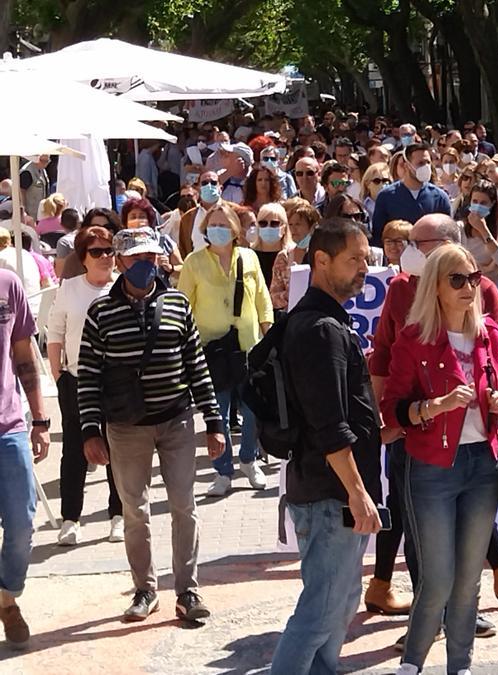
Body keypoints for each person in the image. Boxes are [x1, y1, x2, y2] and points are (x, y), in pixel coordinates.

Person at [369, 214, 498, 644]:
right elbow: (382, 354)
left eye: (419, 241)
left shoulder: (484, 292)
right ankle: (427, 614)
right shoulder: (399, 290)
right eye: (406, 241)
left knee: (467, 529)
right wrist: (388, 417)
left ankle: (464, 612)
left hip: (474, 443)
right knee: (420, 532)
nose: (407, 249)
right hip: (417, 435)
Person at [78, 227, 225, 623]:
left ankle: (187, 590)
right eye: (136, 258)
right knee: (135, 510)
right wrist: (90, 431)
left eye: (150, 257)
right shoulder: (101, 313)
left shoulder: (177, 304)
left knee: (184, 505)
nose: (145, 264)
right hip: (126, 428)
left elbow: (197, 365)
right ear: (121, 262)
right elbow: (88, 375)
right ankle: (145, 588)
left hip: (176, 421)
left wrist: (213, 421)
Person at [383, 244, 498, 675]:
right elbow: (393, 408)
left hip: (483, 465)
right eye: (457, 280)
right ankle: (412, 663)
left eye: (474, 278)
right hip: (432, 468)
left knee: (468, 578)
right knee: (436, 579)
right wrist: (433, 407)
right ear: (435, 287)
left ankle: (460, 665)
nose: (469, 287)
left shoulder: (489, 333)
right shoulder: (414, 337)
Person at [269, 218, 384, 675]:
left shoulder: (327, 322)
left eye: (365, 258)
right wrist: (356, 493)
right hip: (329, 494)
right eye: (353, 259)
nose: (364, 268)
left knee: (339, 605)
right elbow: (328, 424)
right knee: (321, 608)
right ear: (320, 261)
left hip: (330, 492)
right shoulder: (319, 329)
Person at [177, 202, 272, 497]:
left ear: (234, 229)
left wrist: (269, 332)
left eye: (223, 224)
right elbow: (183, 303)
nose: (217, 230)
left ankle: (248, 459)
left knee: (252, 407)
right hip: (211, 347)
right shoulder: (194, 261)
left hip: (248, 343)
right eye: (212, 225)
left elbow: (262, 298)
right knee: (217, 409)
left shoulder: (249, 258)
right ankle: (222, 470)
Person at [47, 226, 123, 547]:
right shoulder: (69, 289)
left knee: (116, 449)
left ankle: (118, 516)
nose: (104, 256)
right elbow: (55, 333)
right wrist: (59, 376)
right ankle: (71, 519)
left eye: (109, 250)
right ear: (83, 257)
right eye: (96, 251)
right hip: (77, 381)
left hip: (117, 384)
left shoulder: (122, 286)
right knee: (75, 452)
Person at [0, 259, 51, 649]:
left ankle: (6, 598)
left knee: (22, 525)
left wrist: (40, 418)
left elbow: (23, 355)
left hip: (10, 426)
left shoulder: (8, 284)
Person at [371, 142, 451, 245]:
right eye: (420, 163)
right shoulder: (386, 196)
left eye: (428, 162)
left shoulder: (440, 197)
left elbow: (448, 234)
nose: (426, 167)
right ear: (407, 165)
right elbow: (378, 235)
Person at [271, 198, 320, 313]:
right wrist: (287, 296)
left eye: (298, 224)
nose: (293, 229)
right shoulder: (284, 257)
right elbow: (273, 296)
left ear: (312, 227)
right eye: (291, 224)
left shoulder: (324, 256)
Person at [459, 179, 498, 284]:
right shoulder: (459, 228)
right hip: (468, 283)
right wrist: (486, 268)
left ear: (492, 204)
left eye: (483, 203)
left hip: (495, 284)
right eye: (475, 202)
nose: (478, 206)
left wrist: (484, 230)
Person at [253, 202, 289, 278]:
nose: (268, 227)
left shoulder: (290, 255)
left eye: (274, 223)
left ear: (284, 227)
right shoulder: (250, 255)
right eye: (263, 223)